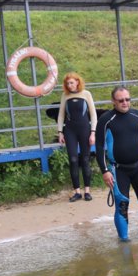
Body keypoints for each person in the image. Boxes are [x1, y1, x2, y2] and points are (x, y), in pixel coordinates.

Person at [96, 86, 138, 241]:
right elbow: (99, 147)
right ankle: (124, 241)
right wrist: (105, 170)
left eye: (128, 99)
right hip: (118, 169)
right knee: (122, 206)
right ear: (113, 101)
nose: (125, 103)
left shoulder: (137, 116)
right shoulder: (106, 119)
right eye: (121, 100)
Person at [57, 72, 98, 202]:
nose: (69, 86)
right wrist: (60, 132)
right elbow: (61, 115)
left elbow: (93, 114)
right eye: (67, 83)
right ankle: (77, 192)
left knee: (85, 159)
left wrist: (93, 132)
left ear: (77, 82)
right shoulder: (65, 95)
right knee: (73, 159)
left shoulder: (86, 94)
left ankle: (87, 191)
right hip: (70, 130)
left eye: (72, 83)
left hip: (85, 129)